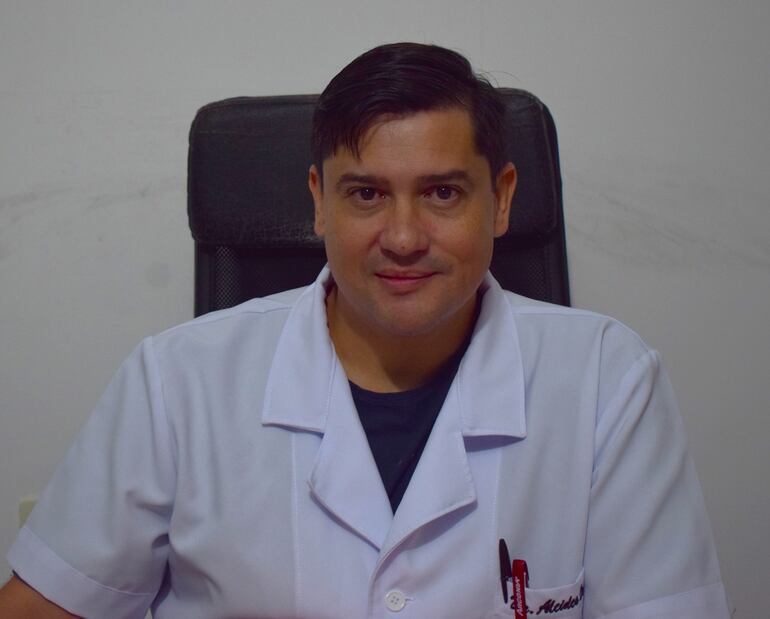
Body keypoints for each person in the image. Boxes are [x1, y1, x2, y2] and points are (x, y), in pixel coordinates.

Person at [0, 42, 729, 618]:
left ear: (502, 199)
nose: (404, 237)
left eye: (442, 192)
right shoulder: (176, 381)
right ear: (319, 202)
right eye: (367, 194)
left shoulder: (608, 380)